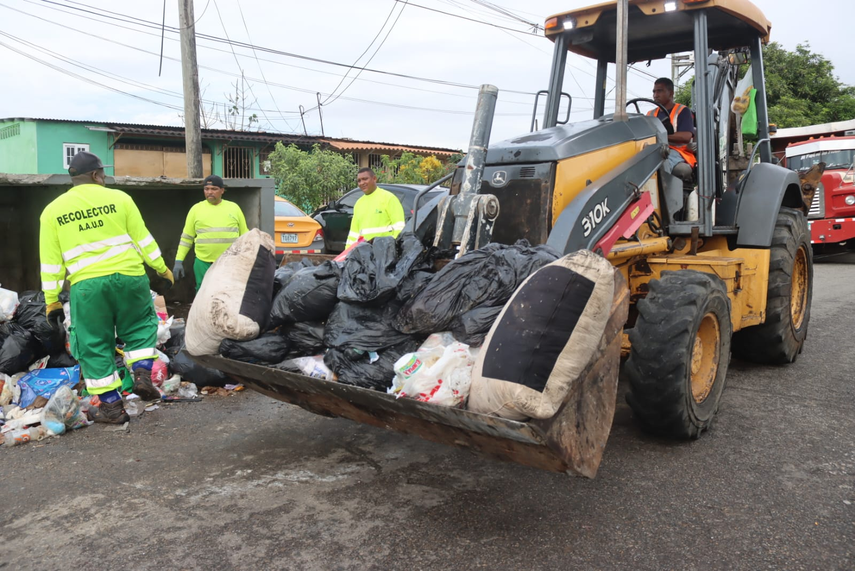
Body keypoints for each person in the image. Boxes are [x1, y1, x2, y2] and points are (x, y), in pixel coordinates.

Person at [39, 151, 173, 424]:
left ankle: (112, 408)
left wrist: (52, 300)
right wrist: (160, 268)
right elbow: (143, 239)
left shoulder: (52, 211)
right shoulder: (121, 199)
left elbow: (51, 263)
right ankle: (143, 375)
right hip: (130, 277)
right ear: (96, 175)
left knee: (94, 343)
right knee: (139, 327)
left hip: (87, 287)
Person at [173, 175, 248, 291]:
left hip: (229, 262)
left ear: (222, 190)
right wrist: (179, 261)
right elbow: (187, 238)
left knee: (227, 292)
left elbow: (245, 236)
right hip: (203, 262)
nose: (210, 192)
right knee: (203, 292)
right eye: (206, 189)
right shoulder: (196, 209)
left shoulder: (234, 208)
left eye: (214, 189)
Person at [648, 77, 697, 193]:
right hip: (654, 150)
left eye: (659, 91)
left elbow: (686, 136)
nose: (655, 95)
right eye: (654, 91)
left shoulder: (683, 111)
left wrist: (661, 136)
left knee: (661, 165)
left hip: (678, 153)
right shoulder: (650, 114)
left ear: (670, 93)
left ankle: (661, 195)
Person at [345, 168, 406, 249]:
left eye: (365, 179)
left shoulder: (388, 198)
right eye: (359, 181)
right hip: (366, 252)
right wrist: (347, 253)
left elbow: (399, 228)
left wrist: (394, 248)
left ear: (374, 179)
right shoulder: (358, 203)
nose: (362, 183)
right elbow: (353, 233)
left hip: (385, 251)